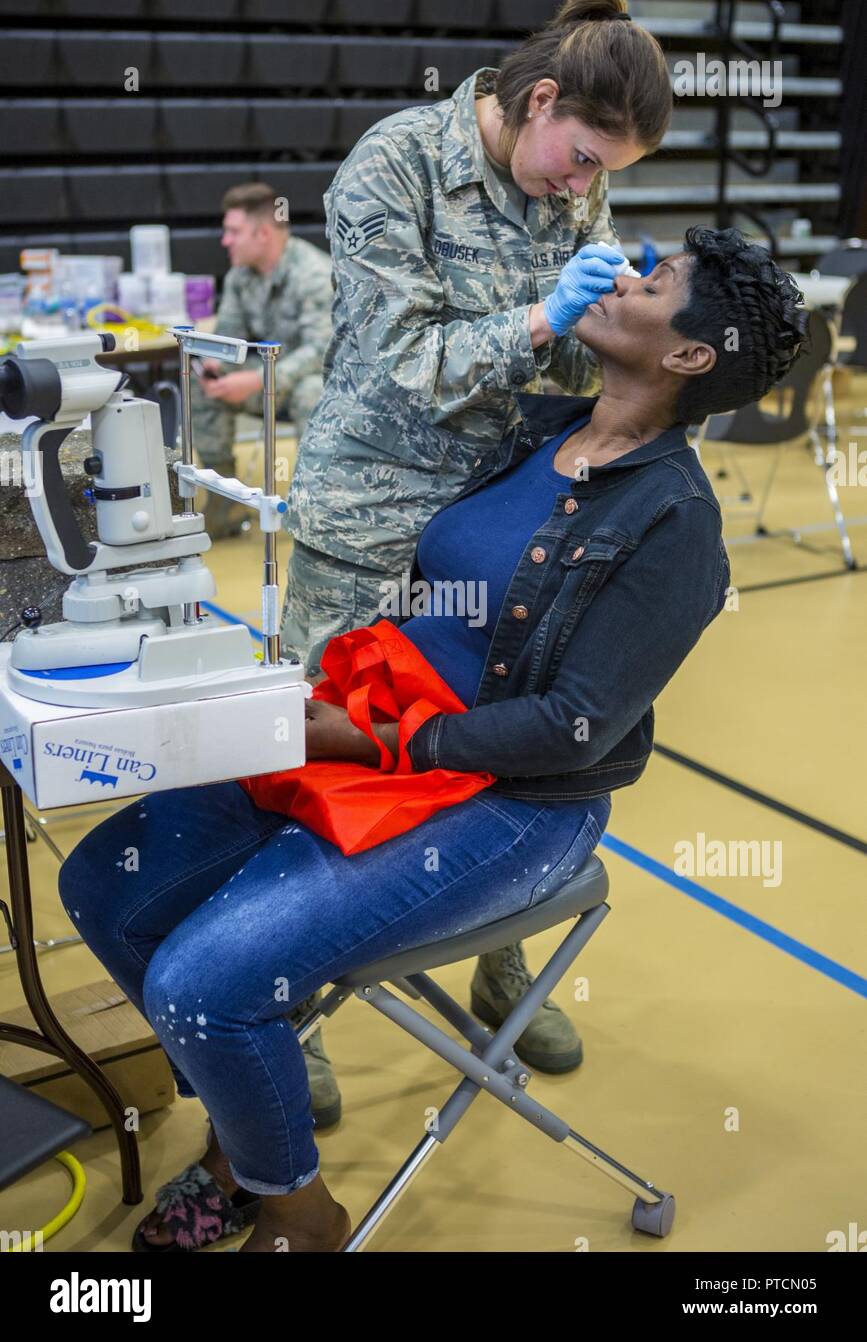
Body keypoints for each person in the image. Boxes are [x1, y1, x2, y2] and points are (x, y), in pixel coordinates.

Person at [57, 227, 807, 1252]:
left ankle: (298, 1208)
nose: (624, 276)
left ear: (688, 355)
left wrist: (375, 743)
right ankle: (246, 1127)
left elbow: (569, 728)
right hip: (380, 733)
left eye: (653, 278)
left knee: (202, 984)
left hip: (512, 800)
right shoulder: (534, 433)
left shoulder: (677, 527)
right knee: (103, 883)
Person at [280, 0, 672, 1100]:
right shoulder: (392, 165)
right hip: (369, 520)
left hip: (496, 526)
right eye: (586, 157)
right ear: (541, 97)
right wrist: (549, 313)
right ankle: (287, 1006)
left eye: (606, 176)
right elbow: (411, 367)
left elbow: (548, 365)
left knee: (478, 753)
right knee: (322, 751)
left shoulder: (569, 190)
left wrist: (607, 319)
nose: (586, 188)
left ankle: (498, 960)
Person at [191, 181, 332, 539]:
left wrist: (255, 381)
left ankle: (318, 506)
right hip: (270, 380)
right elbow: (228, 337)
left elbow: (321, 353)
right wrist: (215, 367)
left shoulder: (313, 275)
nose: (225, 241)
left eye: (233, 232)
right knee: (199, 384)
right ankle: (225, 496)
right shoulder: (241, 275)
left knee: (311, 392)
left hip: (319, 382)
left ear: (264, 233)